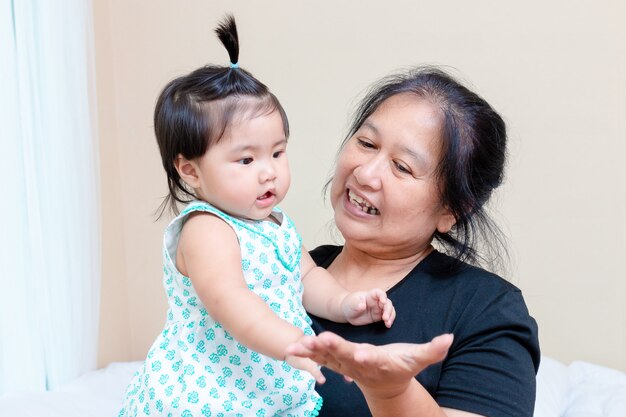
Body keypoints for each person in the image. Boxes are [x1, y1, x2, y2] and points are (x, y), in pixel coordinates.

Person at [118, 16, 395, 417]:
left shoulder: (275, 223)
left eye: (277, 153)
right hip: (204, 391)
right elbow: (231, 301)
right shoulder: (206, 229)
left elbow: (307, 277)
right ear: (190, 170)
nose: (269, 171)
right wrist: (293, 343)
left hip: (258, 387)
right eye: (246, 159)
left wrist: (344, 303)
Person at [286, 67, 541, 417]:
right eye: (366, 143)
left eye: (402, 167)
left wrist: (391, 391)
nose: (365, 173)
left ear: (451, 209)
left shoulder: (485, 310)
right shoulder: (279, 266)